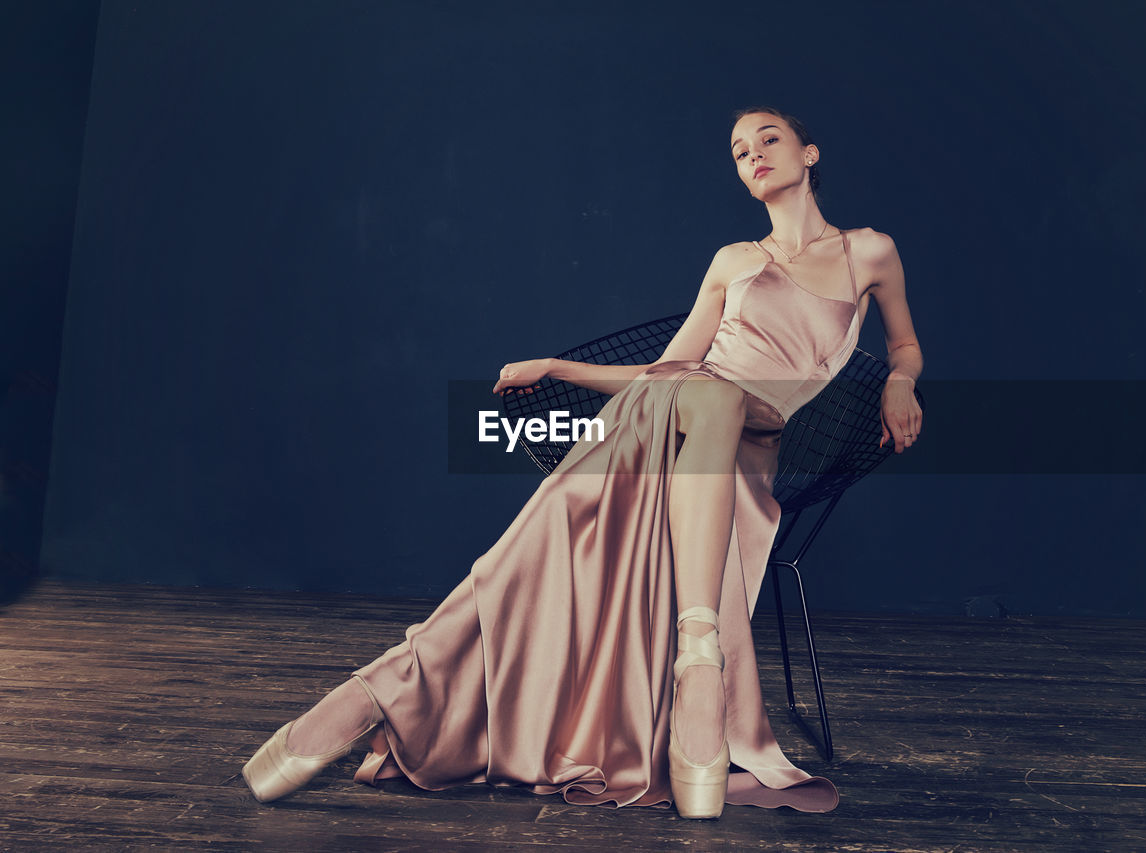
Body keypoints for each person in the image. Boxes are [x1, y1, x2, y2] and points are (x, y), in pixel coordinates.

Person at [241, 106, 924, 819]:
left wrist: (900, 381)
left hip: (747, 444)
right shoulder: (734, 260)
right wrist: (557, 366)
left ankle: (370, 693)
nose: (752, 154)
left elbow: (904, 346)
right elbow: (671, 370)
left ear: (809, 153)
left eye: (768, 140)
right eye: (738, 150)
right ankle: (699, 664)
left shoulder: (867, 252)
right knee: (709, 394)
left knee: (689, 425)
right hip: (672, 417)